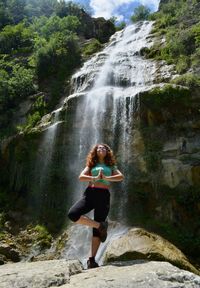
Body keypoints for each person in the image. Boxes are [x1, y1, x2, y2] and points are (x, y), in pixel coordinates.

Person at [68, 143, 124, 269]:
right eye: (99, 148)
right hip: (90, 194)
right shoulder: (91, 164)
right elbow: (81, 177)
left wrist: (106, 177)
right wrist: (94, 177)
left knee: (96, 233)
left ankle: (91, 260)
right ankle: (100, 226)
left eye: (104, 148)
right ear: (95, 151)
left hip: (104, 196)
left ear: (107, 152)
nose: (101, 149)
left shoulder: (111, 165)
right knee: (73, 214)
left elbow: (120, 177)